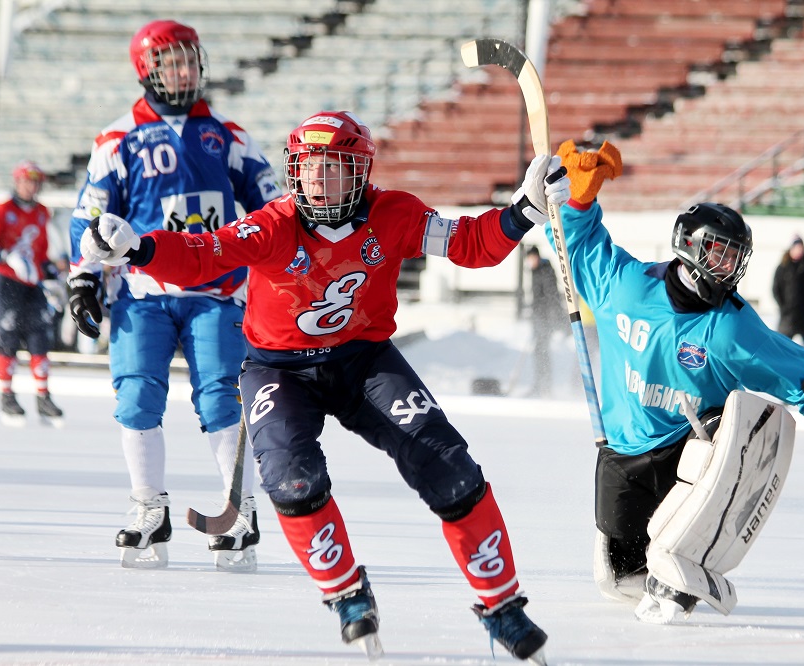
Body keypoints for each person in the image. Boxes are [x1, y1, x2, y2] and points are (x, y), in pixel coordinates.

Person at [75, 110, 569, 662]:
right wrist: (140, 248)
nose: (317, 180)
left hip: (364, 360)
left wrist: (524, 211)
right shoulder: (273, 225)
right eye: (308, 168)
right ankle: (345, 594)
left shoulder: (395, 213)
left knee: (449, 467)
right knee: (291, 480)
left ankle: (501, 605)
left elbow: (471, 245)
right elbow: (203, 256)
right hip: (279, 371)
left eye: (332, 169)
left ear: (360, 172)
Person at [550, 139, 804, 625]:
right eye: (719, 253)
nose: (729, 267)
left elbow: (784, 367)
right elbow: (579, 246)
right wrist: (578, 200)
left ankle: (688, 559)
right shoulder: (629, 288)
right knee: (615, 577)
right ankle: (661, 573)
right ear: (688, 246)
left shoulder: (730, 326)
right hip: (621, 448)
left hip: (688, 448)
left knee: (729, 422)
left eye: (734, 257)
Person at [66, 19, 283, 572]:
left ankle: (240, 512)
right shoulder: (117, 140)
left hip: (217, 288)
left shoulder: (230, 136)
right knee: (136, 396)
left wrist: (280, 262)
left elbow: (270, 205)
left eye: (191, 61)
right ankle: (148, 509)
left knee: (221, 398)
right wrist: (84, 276)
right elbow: (89, 217)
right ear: (147, 70)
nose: (185, 72)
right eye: (173, 63)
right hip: (143, 291)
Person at [0, 160, 65, 427]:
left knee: (40, 335)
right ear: (17, 182)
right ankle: (7, 395)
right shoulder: (2, 211)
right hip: (5, 281)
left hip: (30, 281)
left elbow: (41, 252)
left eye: (36, 182)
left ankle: (43, 396)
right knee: (8, 336)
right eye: (27, 181)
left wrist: (53, 272)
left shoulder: (41, 212)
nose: (32, 187)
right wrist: (4, 256)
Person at [524, 245, 564, 397]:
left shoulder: (545, 271)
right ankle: (539, 384)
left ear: (537, 257)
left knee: (543, 351)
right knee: (539, 351)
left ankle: (545, 386)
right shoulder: (535, 271)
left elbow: (551, 295)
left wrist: (549, 316)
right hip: (538, 317)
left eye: (531, 258)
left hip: (546, 318)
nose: (529, 262)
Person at [771, 235, 804, 352]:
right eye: (796, 247)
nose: (798, 250)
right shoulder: (783, 267)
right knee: (782, 350)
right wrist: (784, 308)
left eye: (801, 247)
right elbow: (776, 289)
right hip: (787, 317)